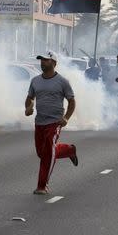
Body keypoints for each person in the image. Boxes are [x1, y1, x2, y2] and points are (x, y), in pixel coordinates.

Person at [25, 51, 78, 195]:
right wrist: (28, 107)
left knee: (48, 153)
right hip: (39, 122)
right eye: (41, 60)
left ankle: (42, 186)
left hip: (54, 122)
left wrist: (66, 118)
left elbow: (72, 101)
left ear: (54, 63)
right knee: (41, 153)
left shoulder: (62, 81)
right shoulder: (35, 80)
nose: (42, 62)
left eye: (46, 60)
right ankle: (69, 150)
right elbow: (30, 97)